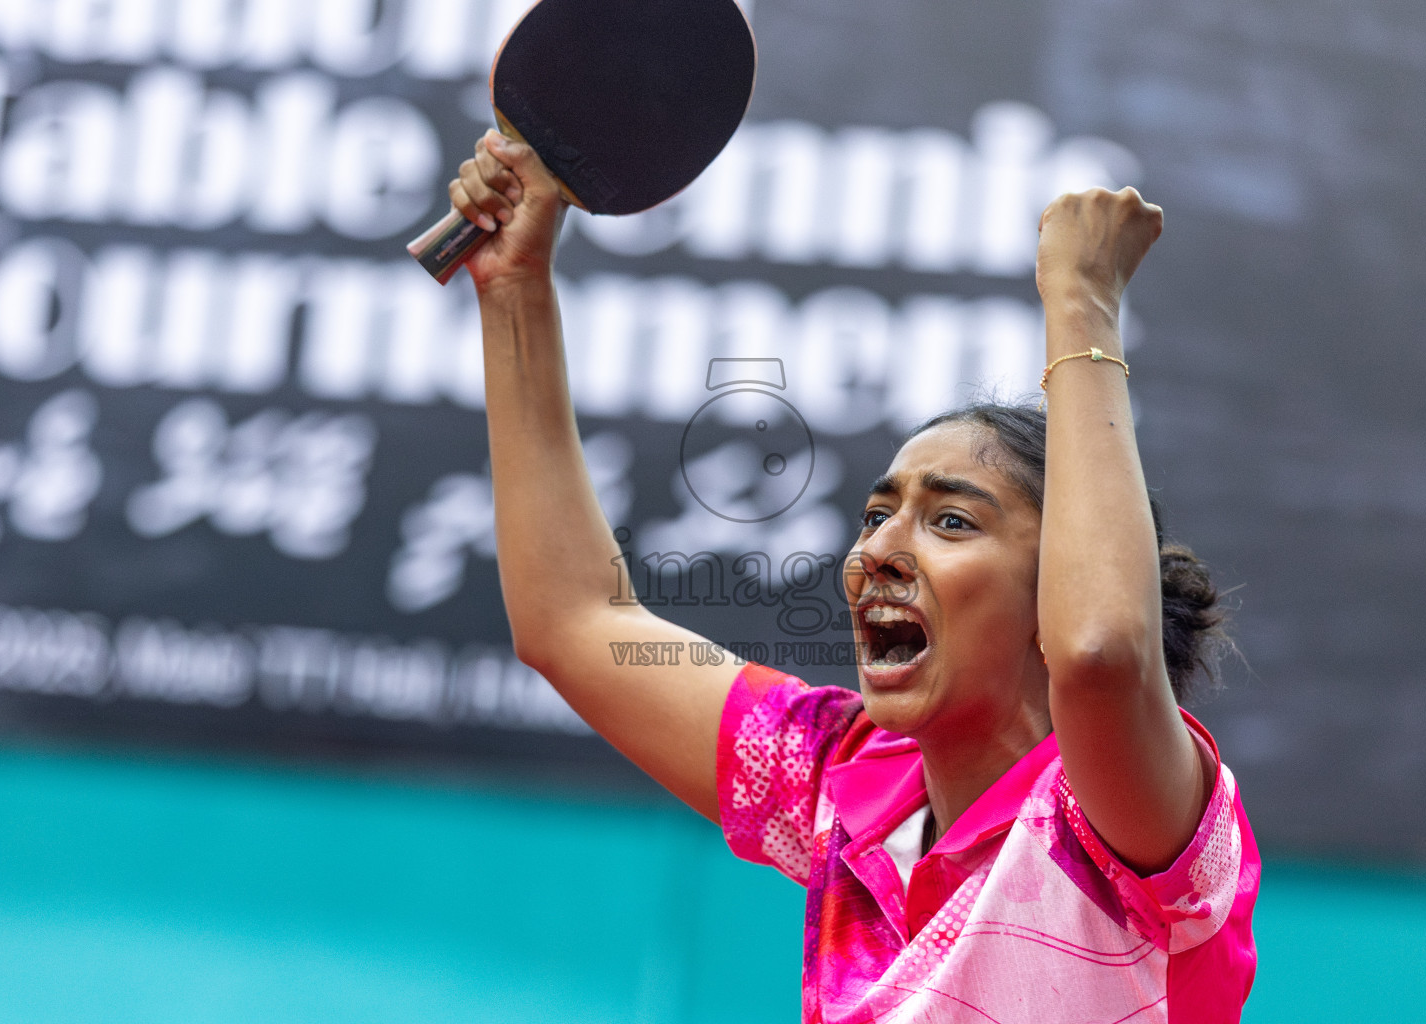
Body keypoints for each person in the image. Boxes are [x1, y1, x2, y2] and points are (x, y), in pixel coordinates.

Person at [448, 129, 1260, 1022]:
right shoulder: (843, 783)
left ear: (1056, 584)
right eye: (877, 516)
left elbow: (1103, 650)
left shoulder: (1127, 821)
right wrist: (516, 288)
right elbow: (573, 619)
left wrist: (1082, 299)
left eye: (952, 521)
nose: (876, 552)